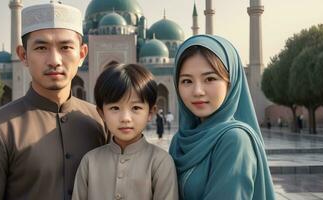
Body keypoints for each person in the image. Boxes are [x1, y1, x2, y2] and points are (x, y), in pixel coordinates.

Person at [0, 2, 108, 200]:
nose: (54, 60)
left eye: (65, 47)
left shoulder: (101, 123)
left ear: (82, 54)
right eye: (41, 48)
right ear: (23, 55)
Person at [169, 35, 275, 199]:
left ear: (230, 83)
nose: (197, 91)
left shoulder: (234, 140)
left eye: (210, 79)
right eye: (187, 81)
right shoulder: (180, 141)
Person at [72, 64, 178, 200]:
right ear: (101, 113)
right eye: (115, 108)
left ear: (151, 112)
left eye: (136, 108)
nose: (125, 118)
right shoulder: (89, 162)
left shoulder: (160, 162)